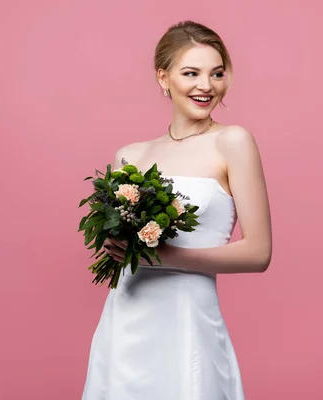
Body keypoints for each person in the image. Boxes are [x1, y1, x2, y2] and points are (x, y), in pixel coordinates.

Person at [81, 20, 272, 400]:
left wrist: (165, 257)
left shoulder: (233, 142)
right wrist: (115, 244)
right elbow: (121, 243)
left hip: (187, 318)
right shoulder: (130, 155)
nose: (207, 86)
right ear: (163, 77)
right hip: (127, 317)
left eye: (217, 73)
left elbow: (259, 252)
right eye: (192, 73)